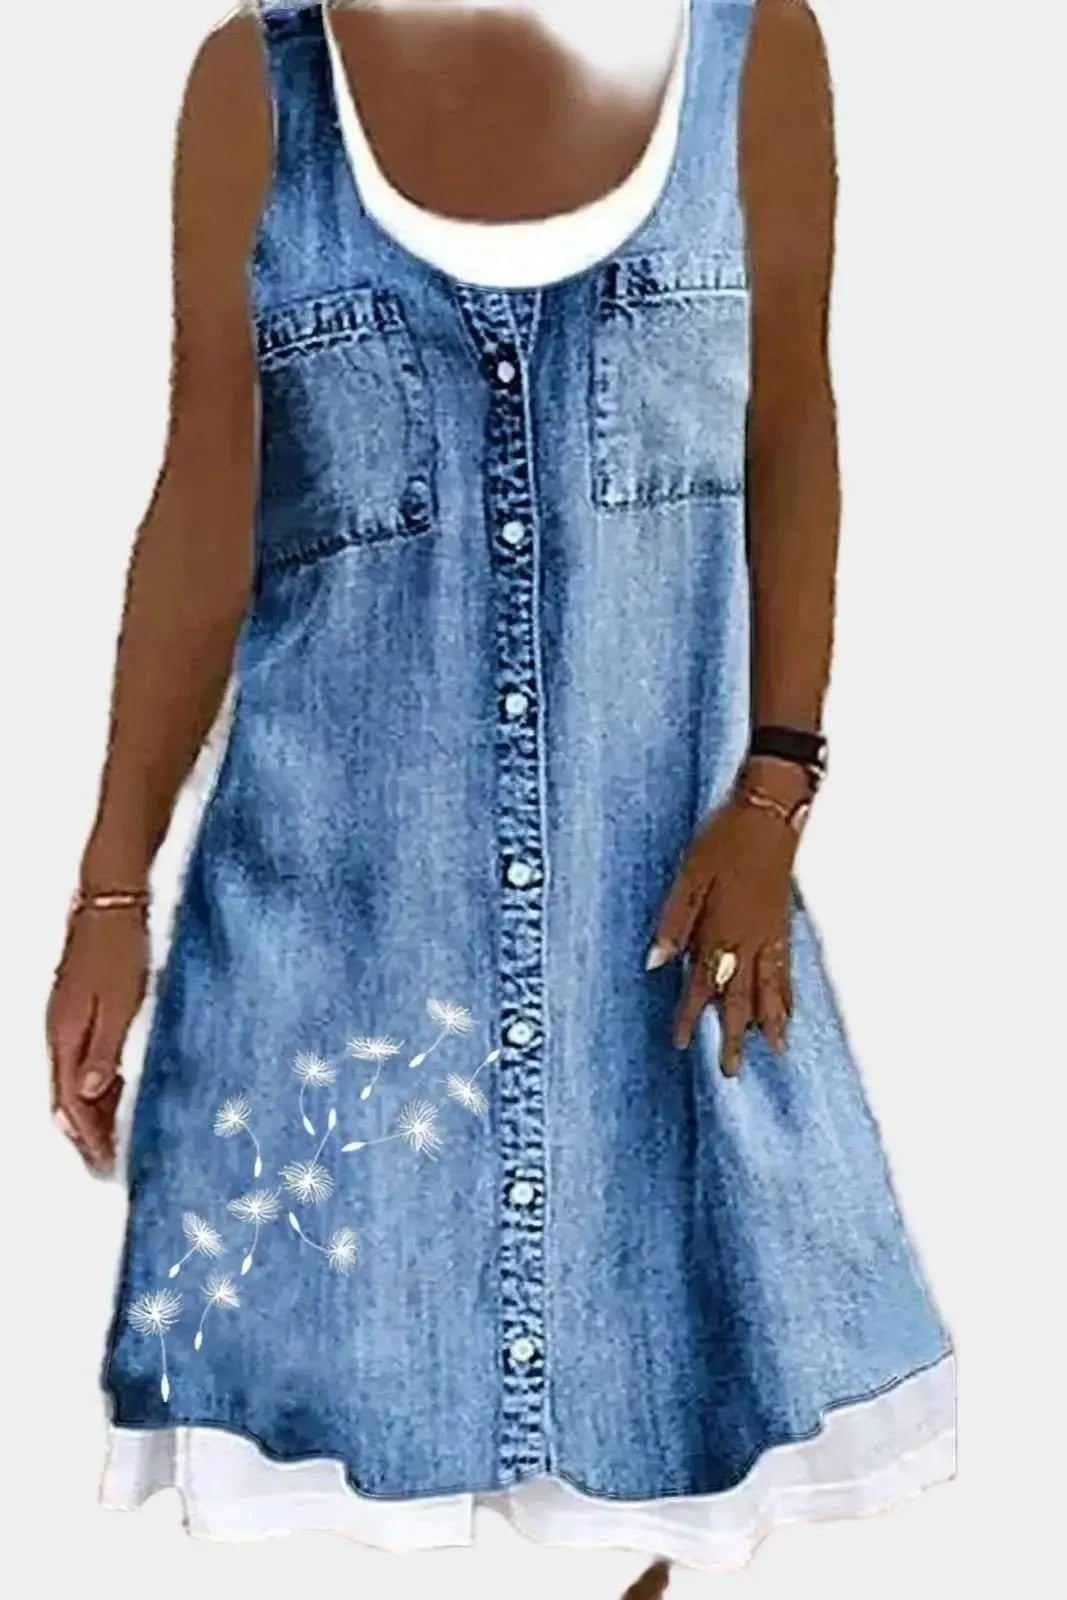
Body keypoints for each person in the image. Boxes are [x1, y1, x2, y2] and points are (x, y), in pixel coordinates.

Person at [45, 3, 955, 1595]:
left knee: (678, 1423)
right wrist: (112, 886)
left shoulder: (754, 55)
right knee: (323, 1478)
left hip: (654, 928)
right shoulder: (255, 89)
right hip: (325, 955)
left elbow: (792, 416)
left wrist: (777, 783)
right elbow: (205, 486)